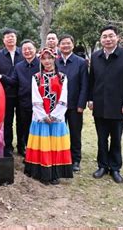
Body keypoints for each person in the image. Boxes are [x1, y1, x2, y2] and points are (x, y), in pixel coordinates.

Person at [88, 25, 123, 184]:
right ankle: (102, 165)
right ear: (101, 39)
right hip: (100, 105)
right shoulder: (95, 56)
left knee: (116, 138)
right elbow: (91, 80)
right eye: (104, 36)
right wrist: (90, 99)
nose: (107, 39)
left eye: (111, 36)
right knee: (101, 138)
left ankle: (115, 168)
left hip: (119, 105)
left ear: (117, 37)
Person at [24, 48, 73, 185]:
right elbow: (35, 97)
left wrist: (56, 114)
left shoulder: (62, 77)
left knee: (55, 145)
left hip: (57, 118)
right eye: (44, 58)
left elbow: (64, 97)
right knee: (42, 144)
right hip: (41, 118)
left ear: (54, 59)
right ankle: (41, 172)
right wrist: (43, 115)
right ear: (40, 60)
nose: (47, 61)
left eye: (49, 58)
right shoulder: (36, 77)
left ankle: (55, 173)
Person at [0, 39, 40, 156]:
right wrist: (1, 77)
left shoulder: (41, 64)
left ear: (35, 49)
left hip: (40, 103)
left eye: (30, 49)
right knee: (24, 127)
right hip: (24, 102)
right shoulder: (19, 66)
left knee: (38, 128)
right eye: (24, 49)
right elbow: (13, 81)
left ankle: (38, 152)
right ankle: (29, 151)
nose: (27, 51)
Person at [0, 28, 23, 157]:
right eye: (7, 37)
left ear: (16, 38)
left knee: (22, 121)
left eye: (12, 36)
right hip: (6, 93)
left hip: (22, 92)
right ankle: (7, 147)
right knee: (7, 121)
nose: (10, 38)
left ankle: (22, 146)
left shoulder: (22, 52)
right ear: (4, 40)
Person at [56, 34, 88, 172]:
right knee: (58, 132)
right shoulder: (54, 62)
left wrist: (81, 104)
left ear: (73, 45)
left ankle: (75, 159)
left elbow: (84, 85)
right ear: (58, 46)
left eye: (68, 43)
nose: (65, 46)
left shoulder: (81, 62)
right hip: (57, 106)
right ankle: (60, 156)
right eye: (63, 43)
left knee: (75, 133)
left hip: (75, 105)